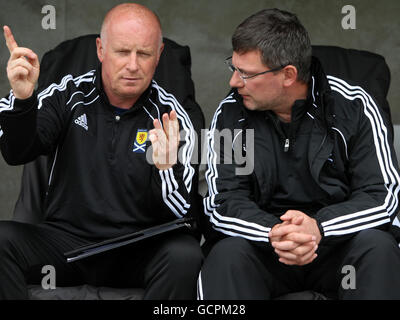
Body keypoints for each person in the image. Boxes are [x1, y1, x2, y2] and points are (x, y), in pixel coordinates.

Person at [0, 3, 202, 300]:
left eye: (144, 54)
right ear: (101, 50)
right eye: (122, 52)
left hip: (136, 249)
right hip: (66, 243)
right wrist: (23, 98)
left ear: (158, 56)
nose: (133, 65)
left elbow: (181, 213)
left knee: (185, 255)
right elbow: (17, 152)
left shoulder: (173, 116)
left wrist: (166, 169)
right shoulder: (67, 94)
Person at [199, 8, 400, 300]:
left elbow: (381, 196)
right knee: (227, 255)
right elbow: (225, 201)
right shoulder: (232, 114)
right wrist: (274, 233)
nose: (234, 82)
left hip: (338, 250)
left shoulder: (354, 107)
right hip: (267, 251)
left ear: (288, 75)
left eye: (246, 74)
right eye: (234, 67)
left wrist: (320, 228)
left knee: (379, 248)